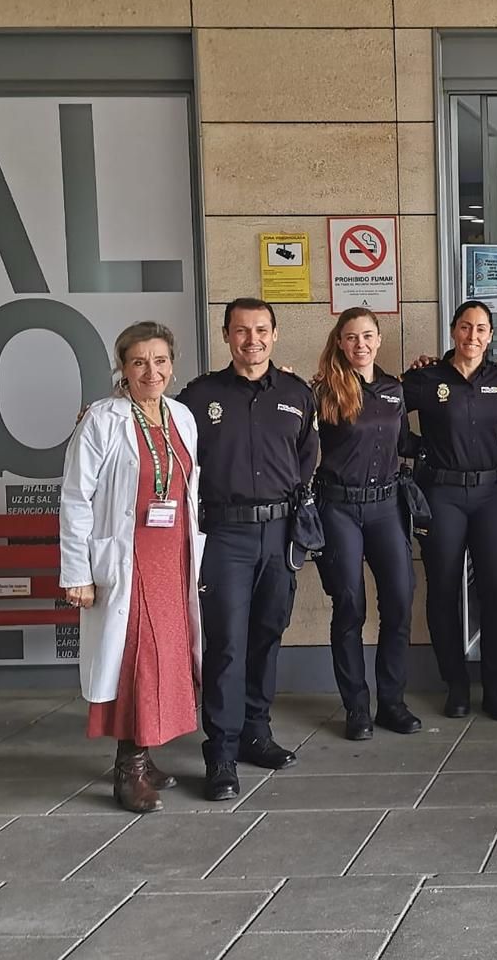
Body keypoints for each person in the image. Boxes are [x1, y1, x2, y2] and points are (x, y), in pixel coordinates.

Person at [60, 322, 203, 813]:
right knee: (137, 660)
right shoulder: (102, 419)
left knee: (167, 658)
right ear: (122, 367)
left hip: (173, 560)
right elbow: (76, 498)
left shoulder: (182, 417)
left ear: (172, 364)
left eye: (160, 360)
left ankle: (146, 749)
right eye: (139, 361)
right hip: (128, 559)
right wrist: (77, 572)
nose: (151, 371)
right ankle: (129, 769)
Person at [180, 299, 318, 801]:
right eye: (241, 331)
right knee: (227, 644)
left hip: (280, 534)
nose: (252, 340)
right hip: (225, 536)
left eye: (261, 330)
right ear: (226, 336)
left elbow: (308, 454)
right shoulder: (199, 397)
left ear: (275, 335)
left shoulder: (297, 394)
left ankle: (256, 733)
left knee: (267, 635)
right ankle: (220, 752)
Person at [404, 301, 497, 722]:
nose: (472, 336)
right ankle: (455, 685)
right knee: (443, 591)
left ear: (491, 336)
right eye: (465, 327)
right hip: (443, 495)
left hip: (491, 495)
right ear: (454, 330)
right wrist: (414, 449)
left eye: (481, 329)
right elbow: (386, 411)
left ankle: (496, 689)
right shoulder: (426, 379)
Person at [312, 309, 421, 741]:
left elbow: (406, 443)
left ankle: (392, 702)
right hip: (339, 508)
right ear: (340, 341)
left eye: (368, 336)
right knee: (350, 606)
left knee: (398, 601)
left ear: (379, 340)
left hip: (386, 507)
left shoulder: (395, 388)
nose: (361, 344)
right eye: (352, 337)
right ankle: (357, 707)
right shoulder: (323, 391)